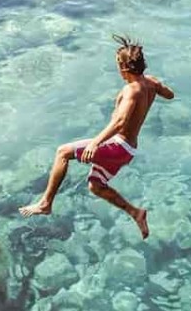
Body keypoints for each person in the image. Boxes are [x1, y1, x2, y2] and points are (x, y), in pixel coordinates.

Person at [19, 35, 174, 239]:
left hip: (117, 145)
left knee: (63, 152)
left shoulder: (131, 90)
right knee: (96, 185)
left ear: (124, 67)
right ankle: (136, 213)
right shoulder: (150, 82)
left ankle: (45, 203)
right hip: (129, 150)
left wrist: (95, 142)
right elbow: (170, 95)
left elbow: (119, 121)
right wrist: (156, 86)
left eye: (118, 65)